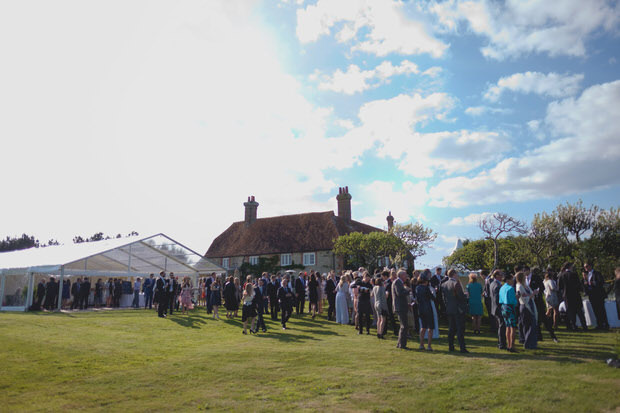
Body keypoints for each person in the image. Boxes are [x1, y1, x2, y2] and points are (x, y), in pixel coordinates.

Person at [442, 269, 468, 353]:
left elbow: (444, 298)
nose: (458, 275)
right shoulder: (456, 283)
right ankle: (462, 347)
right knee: (460, 329)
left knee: (451, 329)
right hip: (458, 309)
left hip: (449, 308)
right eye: (457, 274)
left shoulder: (444, 284)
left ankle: (451, 346)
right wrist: (466, 296)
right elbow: (460, 297)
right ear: (454, 274)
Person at [558, 262, 587, 331]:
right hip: (575, 295)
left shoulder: (562, 275)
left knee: (571, 312)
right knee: (579, 312)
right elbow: (578, 285)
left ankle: (573, 326)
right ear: (570, 267)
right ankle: (584, 326)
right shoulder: (574, 274)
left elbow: (560, 287)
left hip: (567, 296)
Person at [583, 262, 609, 330]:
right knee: (596, 310)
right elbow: (585, 285)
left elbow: (600, 282)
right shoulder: (586, 275)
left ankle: (605, 324)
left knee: (601, 310)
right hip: (592, 295)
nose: (585, 268)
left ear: (590, 266)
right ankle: (599, 324)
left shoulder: (597, 273)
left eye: (586, 266)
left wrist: (590, 283)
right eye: (584, 267)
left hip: (598, 294)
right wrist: (585, 281)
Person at [516, 271, 538, 350]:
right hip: (525, 306)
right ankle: (527, 343)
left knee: (532, 324)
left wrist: (532, 294)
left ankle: (532, 343)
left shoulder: (526, 286)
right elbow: (524, 297)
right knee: (527, 325)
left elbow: (529, 295)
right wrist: (532, 294)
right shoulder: (519, 286)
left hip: (531, 305)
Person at [499, 273, 518, 352]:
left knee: (507, 326)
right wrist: (516, 298)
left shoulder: (502, 287)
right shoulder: (511, 288)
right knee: (513, 327)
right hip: (509, 307)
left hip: (503, 307)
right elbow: (513, 301)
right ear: (508, 280)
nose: (513, 281)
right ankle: (512, 346)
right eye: (512, 279)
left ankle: (508, 344)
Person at [416, 272, 434, 351]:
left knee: (423, 327)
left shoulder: (417, 288)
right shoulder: (426, 288)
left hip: (420, 308)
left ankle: (421, 344)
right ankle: (429, 345)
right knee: (430, 328)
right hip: (428, 308)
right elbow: (432, 297)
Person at [392, 269, 410, 350]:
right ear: (401, 275)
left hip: (401, 306)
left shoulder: (398, 282)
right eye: (405, 275)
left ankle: (400, 343)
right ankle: (402, 344)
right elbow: (399, 293)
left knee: (403, 326)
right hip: (400, 307)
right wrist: (408, 291)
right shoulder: (397, 282)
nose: (406, 276)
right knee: (404, 326)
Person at [489, 270, 506, 349]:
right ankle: (502, 343)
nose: (502, 276)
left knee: (500, 326)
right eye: (500, 274)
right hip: (498, 308)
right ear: (496, 276)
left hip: (494, 308)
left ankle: (501, 342)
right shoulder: (497, 285)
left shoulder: (492, 283)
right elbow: (496, 298)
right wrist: (501, 307)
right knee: (502, 326)